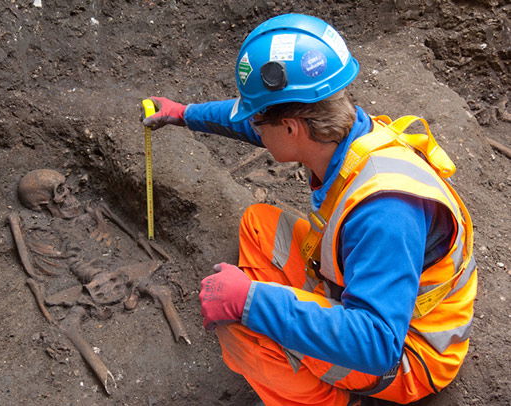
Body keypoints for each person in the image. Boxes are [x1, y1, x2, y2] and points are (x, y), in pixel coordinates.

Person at [143, 14, 477, 406]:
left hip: (407, 352)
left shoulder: (385, 212)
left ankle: (322, 394)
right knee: (259, 224)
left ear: (290, 129)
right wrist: (185, 114)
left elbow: (377, 343)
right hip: (374, 293)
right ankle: (299, 330)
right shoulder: (344, 133)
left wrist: (250, 301)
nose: (253, 127)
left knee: (240, 331)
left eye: (257, 119)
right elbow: (257, 125)